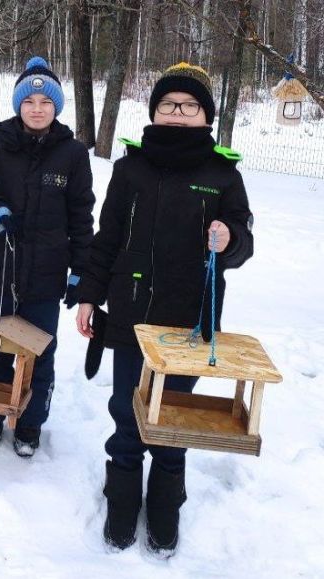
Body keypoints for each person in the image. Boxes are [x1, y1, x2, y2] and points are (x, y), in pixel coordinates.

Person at [73, 62, 254, 554]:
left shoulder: (222, 175)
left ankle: (166, 499)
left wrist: (229, 237)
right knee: (127, 409)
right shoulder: (130, 168)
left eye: (189, 106)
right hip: (131, 315)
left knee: (172, 413)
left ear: (205, 116)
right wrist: (89, 293)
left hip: (189, 320)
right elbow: (106, 238)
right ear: (154, 111)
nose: (177, 114)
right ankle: (123, 491)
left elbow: (243, 241)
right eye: (168, 105)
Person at [0, 56, 95, 458]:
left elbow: (81, 217)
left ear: (57, 108)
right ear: (18, 104)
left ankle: (29, 426)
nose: (37, 108)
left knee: (39, 354)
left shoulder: (72, 154)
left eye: (46, 102)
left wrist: (78, 273)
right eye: (30, 100)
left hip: (46, 277)